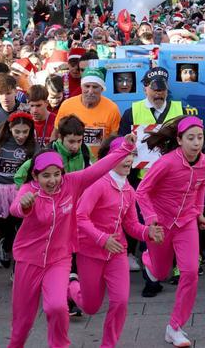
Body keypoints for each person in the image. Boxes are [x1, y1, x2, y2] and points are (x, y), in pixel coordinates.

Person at [6, 130, 136, 348]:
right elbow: (14, 209)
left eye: (56, 174)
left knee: (56, 307)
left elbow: (99, 168)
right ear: (35, 176)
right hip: (28, 260)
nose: (53, 180)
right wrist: (24, 205)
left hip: (59, 258)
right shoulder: (29, 189)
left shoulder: (72, 183)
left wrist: (126, 147)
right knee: (23, 321)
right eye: (46, 175)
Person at [70, 136, 164, 348]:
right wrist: (102, 239)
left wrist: (149, 232)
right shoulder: (98, 185)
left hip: (117, 253)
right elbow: (80, 217)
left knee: (120, 301)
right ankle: (71, 285)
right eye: (123, 154)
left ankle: (108, 345)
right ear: (110, 158)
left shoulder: (129, 190)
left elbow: (131, 225)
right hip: (90, 252)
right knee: (91, 307)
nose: (128, 159)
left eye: (131, 154)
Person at [135, 117, 205, 348]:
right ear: (179, 140)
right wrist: (151, 221)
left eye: (200, 138)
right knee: (159, 274)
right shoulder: (166, 163)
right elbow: (142, 191)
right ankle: (148, 259)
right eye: (190, 138)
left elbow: (201, 187)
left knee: (189, 273)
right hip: (161, 223)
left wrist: (199, 213)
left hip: (187, 222)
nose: (196, 143)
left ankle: (175, 327)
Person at [0, 112, 37, 269]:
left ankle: (17, 265)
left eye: (25, 131)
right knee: (5, 227)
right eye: (17, 131)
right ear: (9, 128)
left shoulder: (33, 145)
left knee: (20, 227)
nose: (21, 135)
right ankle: (5, 245)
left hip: (20, 192)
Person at [55, 67, 121, 156]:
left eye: (95, 87)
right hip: (71, 160)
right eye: (87, 86)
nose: (90, 91)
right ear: (81, 86)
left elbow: (114, 141)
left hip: (99, 163)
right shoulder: (67, 105)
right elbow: (56, 135)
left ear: (102, 89)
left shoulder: (112, 108)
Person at [118, 67, 184, 134]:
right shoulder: (130, 114)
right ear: (145, 90)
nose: (159, 93)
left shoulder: (181, 111)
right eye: (154, 89)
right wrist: (126, 142)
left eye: (162, 89)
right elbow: (120, 140)